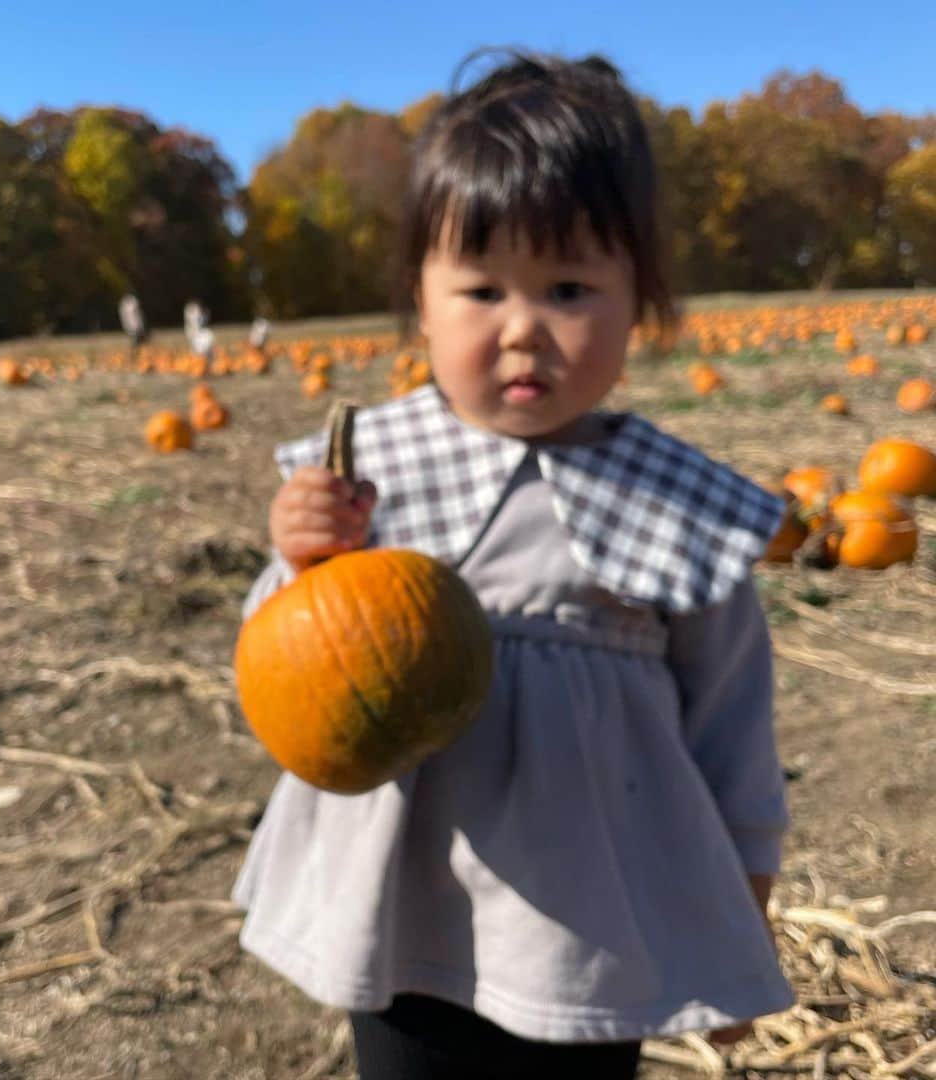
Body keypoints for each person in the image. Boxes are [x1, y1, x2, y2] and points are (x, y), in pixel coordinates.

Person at [232, 48, 793, 1080]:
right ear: (422, 300)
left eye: (569, 287)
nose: (524, 329)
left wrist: (741, 906)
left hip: (590, 935)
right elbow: (292, 664)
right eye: (482, 288)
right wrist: (297, 558)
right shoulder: (366, 474)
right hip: (400, 908)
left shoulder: (678, 503)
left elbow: (732, 730)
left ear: (643, 302)